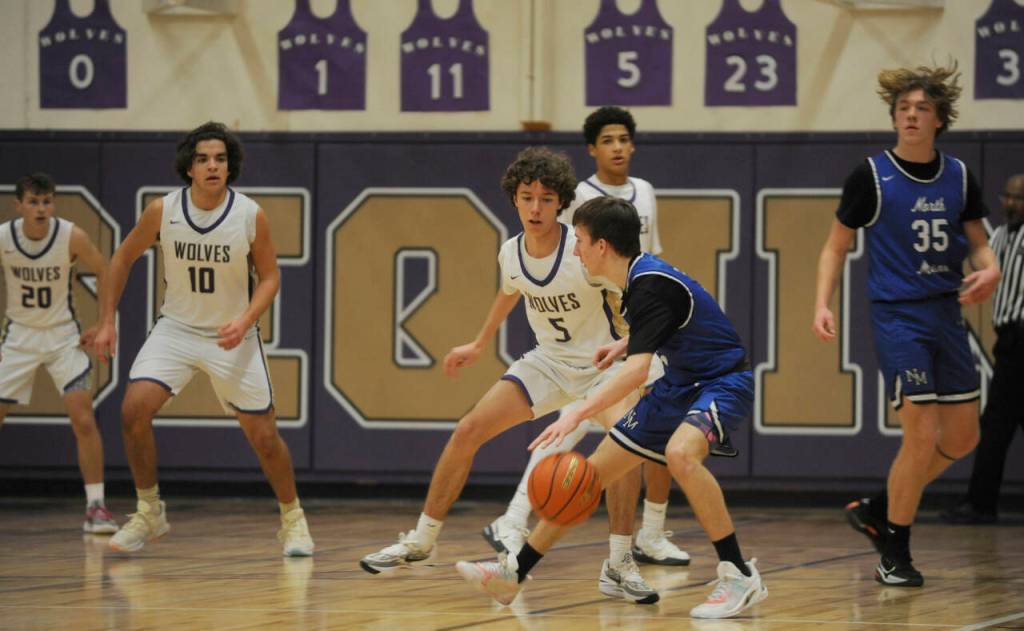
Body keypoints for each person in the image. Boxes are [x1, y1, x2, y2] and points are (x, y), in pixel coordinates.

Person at [359, 147, 663, 604]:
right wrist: (479, 343)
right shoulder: (511, 252)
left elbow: (633, 294)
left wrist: (633, 346)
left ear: (561, 201)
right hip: (548, 361)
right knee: (468, 430)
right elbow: (509, 292)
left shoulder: (581, 251)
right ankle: (421, 540)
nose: (536, 207)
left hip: (603, 366)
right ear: (514, 200)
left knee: (624, 444)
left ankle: (619, 562)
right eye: (527, 197)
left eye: (545, 198)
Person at [456, 196, 767, 620]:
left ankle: (738, 574)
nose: (576, 249)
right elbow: (675, 321)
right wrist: (626, 341)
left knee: (680, 454)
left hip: (720, 383)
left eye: (581, 240)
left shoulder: (648, 284)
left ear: (602, 246)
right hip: (678, 384)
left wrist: (578, 412)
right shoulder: (639, 280)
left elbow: (637, 371)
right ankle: (514, 574)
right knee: (586, 479)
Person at [811, 64, 1000, 587]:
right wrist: (821, 303)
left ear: (940, 118)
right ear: (894, 117)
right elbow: (835, 246)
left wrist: (991, 267)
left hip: (945, 312)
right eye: (903, 109)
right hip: (898, 316)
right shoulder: (871, 176)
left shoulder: (959, 175)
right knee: (920, 432)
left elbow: (979, 241)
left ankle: (878, 505)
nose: (911, 116)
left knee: (963, 438)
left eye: (922, 109)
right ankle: (895, 549)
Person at [93, 122, 314, 557]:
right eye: (203, 159)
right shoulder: (163, 210)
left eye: (220, 158)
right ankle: (149, 511)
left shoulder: (250, 214)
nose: (213, 166)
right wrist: (106, 321)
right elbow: (122, 257)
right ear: (189, 167)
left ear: (229, 166)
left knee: (264, 437)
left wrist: (246, 317)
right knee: (133, 410)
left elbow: (270, 277)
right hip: (175, 328)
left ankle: (293, 519)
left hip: (232, 334)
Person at [484, 107, 688, 569]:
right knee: (579, 424)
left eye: (624, 138)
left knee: (651, 430)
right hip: (594, 332)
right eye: (607, 140)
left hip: (639, 317)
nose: (617, 147)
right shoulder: (577, 201)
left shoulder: (645, 192)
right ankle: (515, 519)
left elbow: (647, 254)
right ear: (592, 149)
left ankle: (651, 534)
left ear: (633, 145)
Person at [0, 172, 118, 535]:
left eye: (47, 201)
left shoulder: (70, 236)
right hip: (19, 336)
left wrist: (104, 322)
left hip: (63, 336)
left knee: (83, 418)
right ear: (18, 204)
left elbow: (106, 270)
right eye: (33, 202)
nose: (41, 209)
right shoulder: (4, 237)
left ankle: (96, 506)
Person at [941, 174, 1024, 524]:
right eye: (1006, 196)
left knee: (995, 425)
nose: (1009, 203)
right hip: (1008, 338)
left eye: (1018, 198)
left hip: (1022, 336)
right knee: (997, 424)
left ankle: (980, 502)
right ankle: (980, 501)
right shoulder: (1002, 236)